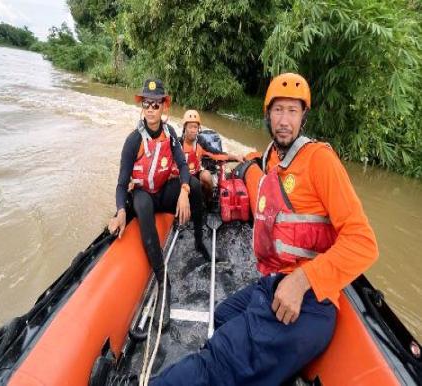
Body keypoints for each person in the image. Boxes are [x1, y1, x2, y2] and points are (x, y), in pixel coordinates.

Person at [146, 72, 379, 385]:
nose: (285, 120)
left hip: (310, 300)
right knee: (222, 315)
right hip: (273, 283)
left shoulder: (320, 161)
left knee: (216, 360)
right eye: (278, 110)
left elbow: (364, 243)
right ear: (267, 115)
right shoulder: (270, 158)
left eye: (293, 111)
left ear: (303, 117)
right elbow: (256, 170)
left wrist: (303, 279)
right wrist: (245, 161)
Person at [108, 79, 210, 331]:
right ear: (142, 107)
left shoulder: (171, 134)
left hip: (163, 191)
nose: (151, 109)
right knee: (141, 204)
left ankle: (199, 239)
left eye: (156, 104)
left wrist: (185, 191)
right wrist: (121, 211)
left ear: (164, 106)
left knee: (196, 185)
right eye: (146, 104)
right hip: (144, 194)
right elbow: (122, 184)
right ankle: (163, 280)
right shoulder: (133, 141)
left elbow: (184, 167)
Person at [179, 110, 243, 201]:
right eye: (190, 127)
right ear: (184, 127)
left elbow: (217, 154)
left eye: (195, 127)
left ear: (198, 129)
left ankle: (209, 200)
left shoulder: (200, 141)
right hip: (182, 177)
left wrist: (236, 157)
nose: (193, 130)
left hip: (196, 174)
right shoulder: (177, 143)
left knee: (207, 175)